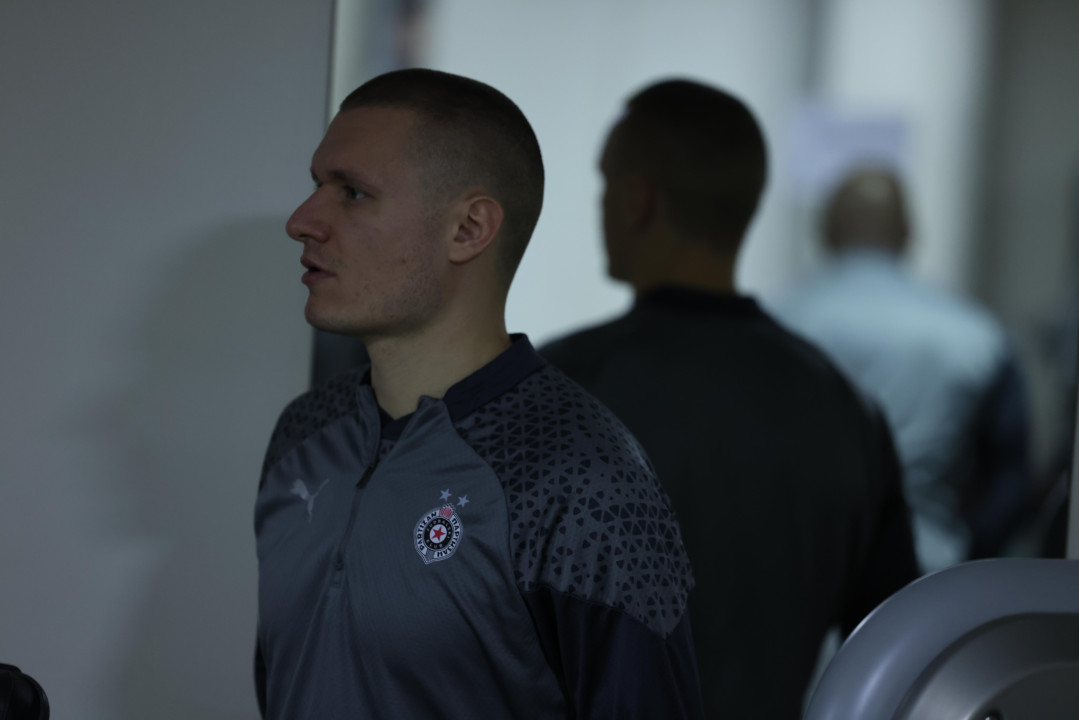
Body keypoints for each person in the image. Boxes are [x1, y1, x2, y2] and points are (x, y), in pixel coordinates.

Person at [255, 69, 704, 720]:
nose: (302, 222)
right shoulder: (304, 434)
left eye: (351, 192)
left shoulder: (582, 476)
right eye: (315, 185)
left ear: (468, 229)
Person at [541, 80, 919, 720]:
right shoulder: (844, 407)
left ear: (637, 200)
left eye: (605, 181)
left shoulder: (560, 388)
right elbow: (892, 637)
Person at [771, 168, 1031, 571]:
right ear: (909, 232)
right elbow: (1011, 483)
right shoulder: (979, 336)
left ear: (826, 231)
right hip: (927, 574)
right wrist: (974, 553)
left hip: (797, 570)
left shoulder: (775, 322)